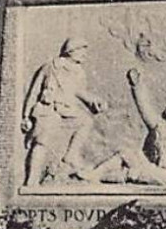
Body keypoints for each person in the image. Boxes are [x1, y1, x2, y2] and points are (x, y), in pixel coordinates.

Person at [79, 66, 166, 190]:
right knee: (126, 153)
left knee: (133, 173)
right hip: (152, 168)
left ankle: (105, 178)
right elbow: (144, 108)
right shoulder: (159, 127)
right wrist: (136, 85)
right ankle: (95, 174)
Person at [20, 37, 107, 186]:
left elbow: (79, 91)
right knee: (42, 142)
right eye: (82, 51)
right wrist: (26, 116)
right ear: (71, 51)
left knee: (86, 121)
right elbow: (34, 91)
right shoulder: (52, 67)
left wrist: (94, 101)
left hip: (67, 110)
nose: (84, 55)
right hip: (49, 109)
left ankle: (71, 155)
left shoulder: (79, 72)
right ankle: (31, 180)